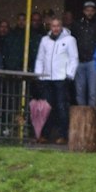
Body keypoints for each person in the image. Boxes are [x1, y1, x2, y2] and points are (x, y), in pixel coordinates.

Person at [33, 16, 77, 144]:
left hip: (61, 78)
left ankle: (64, 135)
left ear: (61, 26)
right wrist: (39, 75)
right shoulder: (44, 40)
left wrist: (69, 74)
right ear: (50, 27)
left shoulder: (69, 40)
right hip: (46, 78)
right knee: (46, 107)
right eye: (53, 26)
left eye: (58, 26)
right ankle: (45, 135)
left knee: (61, 107)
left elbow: (73, 58)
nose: (56, 28)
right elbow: (40, 58)